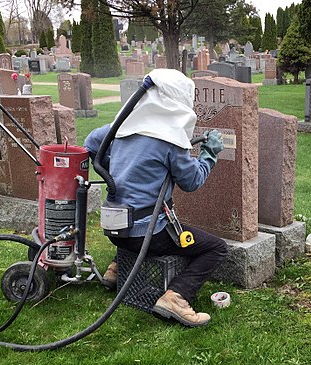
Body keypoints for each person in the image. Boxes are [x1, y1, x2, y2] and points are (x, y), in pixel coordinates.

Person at [83, 69, 227, 327]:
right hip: (146, 235)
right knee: (215, 248)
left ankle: (116, 269)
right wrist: (209, 155)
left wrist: (114, 170)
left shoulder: (121, 127)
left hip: (114, 227)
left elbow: (91, 144)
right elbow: (192, 181)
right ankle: (177, 297)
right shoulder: (169, 139)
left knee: (141, 221)